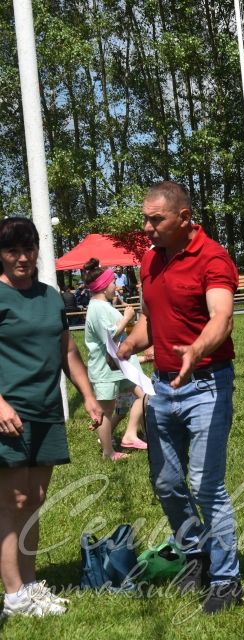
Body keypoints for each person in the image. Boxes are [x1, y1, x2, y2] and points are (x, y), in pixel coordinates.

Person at [116, 181, 243, 613]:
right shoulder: (150, 260)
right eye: (145, 219)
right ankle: (197, 553)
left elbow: (221, 318)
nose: (147, 228)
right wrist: (131, 344)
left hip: (206, 385)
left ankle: (227, 581)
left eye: (156, 220)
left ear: (183, 218)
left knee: (207, 486)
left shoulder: (213, 258)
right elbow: (155, 320)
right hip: (161, 387)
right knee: (167, 483)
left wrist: (197, 350)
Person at [0, 217, 103, 617]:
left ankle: (29, 585)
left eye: (28, 249)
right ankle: (14, 596)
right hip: (9, 414)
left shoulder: (50, 296)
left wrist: (89, 397)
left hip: (46, 412)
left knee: (36, 499)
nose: (22, 258)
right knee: (13, 501)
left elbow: (68, 351)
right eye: (12, 251)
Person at [81, 258, 148, 461]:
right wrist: (127, 317)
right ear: (103, 286)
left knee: (144, 395)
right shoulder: (98, 308)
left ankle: (130, 434)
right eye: (112, 283)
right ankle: (108, 452)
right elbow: (110, 337)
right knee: (105, 412)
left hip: (119, 366)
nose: (116, 286)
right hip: (105, 369)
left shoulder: (102, 305)